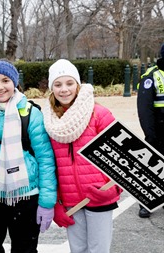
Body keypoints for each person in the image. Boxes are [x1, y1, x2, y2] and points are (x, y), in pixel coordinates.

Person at [0, 60, 57, 253]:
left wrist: (47, 202)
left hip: (25, 195)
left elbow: (45, 159)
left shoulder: (30, 113)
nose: (0, 87)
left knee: (25, 249)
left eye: (5, 80)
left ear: (15, 83)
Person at [42, 59, 122, 253]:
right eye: (58, 84)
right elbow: (49, 164)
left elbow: (122, 157)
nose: (64, 90)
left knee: (99, 250)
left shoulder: (98, 114)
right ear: (52, 88)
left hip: (99, 194)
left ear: (78, 84)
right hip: (71, 200)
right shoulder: (49, 120)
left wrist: (113, 188)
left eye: (69, 83)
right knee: (78, 250)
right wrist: (56, 202)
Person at [137, 43, 164, 218]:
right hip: (158, 131)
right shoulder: (151, 76)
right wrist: (151, 135)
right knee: (151, 169)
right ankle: (145, 201)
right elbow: (145, 110)